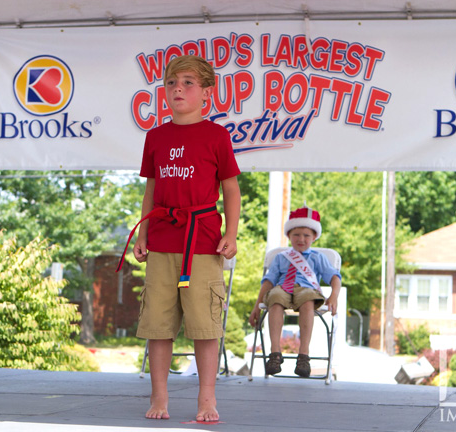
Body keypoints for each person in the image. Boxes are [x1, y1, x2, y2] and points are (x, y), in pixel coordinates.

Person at [117, 55, 241, 421]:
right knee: (158, 324)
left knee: (204, 325)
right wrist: (142, 233)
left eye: (187, 83)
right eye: (171, 83)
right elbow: (150, 191)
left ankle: (207, 399)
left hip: (202, 242)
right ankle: (159, 398)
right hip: (161, 241)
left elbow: (231, 189)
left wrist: (230, 234)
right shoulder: (155, 136)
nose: (177, 89)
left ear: (206, 93)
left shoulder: (217, 135)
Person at [248, 206, 341, 378]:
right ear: (289, 236)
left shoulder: (317, 257)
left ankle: (303, 356)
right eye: (296, 234)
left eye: (306, 235)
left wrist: (334, 296)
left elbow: (334, 277)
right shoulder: (281, 257)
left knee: (307, 299)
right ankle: (275, 354)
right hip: (283, 288)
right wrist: (256, 306)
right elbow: (268, 282)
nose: (301, 239)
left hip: (306, 289)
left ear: (314, 237)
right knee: (275, 298)